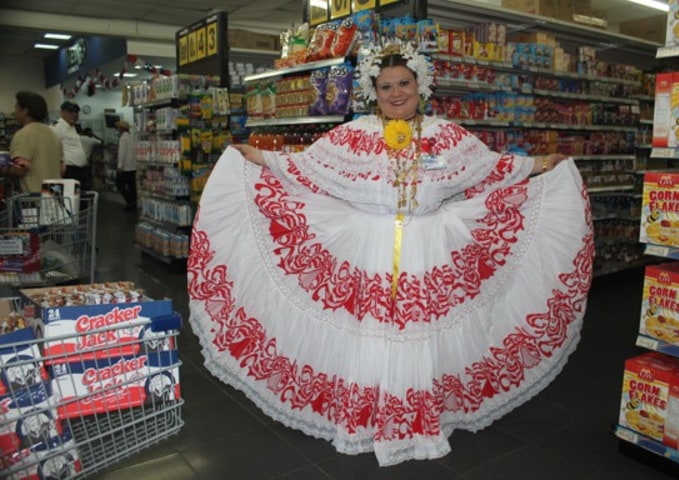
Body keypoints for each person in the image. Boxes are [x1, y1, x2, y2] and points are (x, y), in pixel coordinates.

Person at [187, 42, 594, 466]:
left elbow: (492, 167)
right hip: (368, 250)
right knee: (372, 331)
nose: (396, 93)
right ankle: (368, 412)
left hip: (430, 250)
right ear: (373, 93)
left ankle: (419, 414)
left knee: (421, 331)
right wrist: (259, 157)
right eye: (386, 87)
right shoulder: (352, 134)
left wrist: (540, 165)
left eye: (404, 83)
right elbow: (306, 166)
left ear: (421, 85)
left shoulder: (447, 135)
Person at [6, 91, 63, 193]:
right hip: (54, 196)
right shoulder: (53, 134)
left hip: (32, 199)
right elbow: (62, 169)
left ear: (25, 110)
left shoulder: (24, 134)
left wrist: (3, 168)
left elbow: (20, 170)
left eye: (16, 108)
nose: (14, 112)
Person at [52, 101, 91, 191]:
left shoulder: (72, 127)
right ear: (62, 112)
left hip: (80, 171)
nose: (74, 114)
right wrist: (59, 164)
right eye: (70, 112)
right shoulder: (58, 127)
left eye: (76, 112)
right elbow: (53, 148)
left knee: (83, 200)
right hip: (69, 170)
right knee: (71, 200)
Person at [115, 120, 137, 211]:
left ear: (121, 129)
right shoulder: (132, 138)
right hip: (132, 166)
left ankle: (129, 202)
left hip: (125, 168)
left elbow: (122, 153)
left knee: (119, 184)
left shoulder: (123, 138)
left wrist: (120, 166)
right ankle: (133, 203)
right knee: (132, 186)